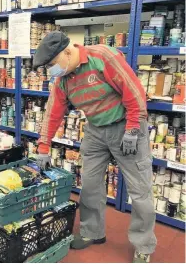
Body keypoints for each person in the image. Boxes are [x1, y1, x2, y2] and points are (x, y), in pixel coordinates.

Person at [33, 31, 156, 263]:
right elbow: (52, 112)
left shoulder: (102, 57)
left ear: (67, 52)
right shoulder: (63, 80)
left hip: (126, 125)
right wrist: (43, 146)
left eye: (51, 64)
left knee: (139, 190)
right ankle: (92, 232)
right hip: (95, 130)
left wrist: (132, 130)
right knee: (89, 184)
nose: (51, 70)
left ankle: (144, 245)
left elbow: (134, 91)